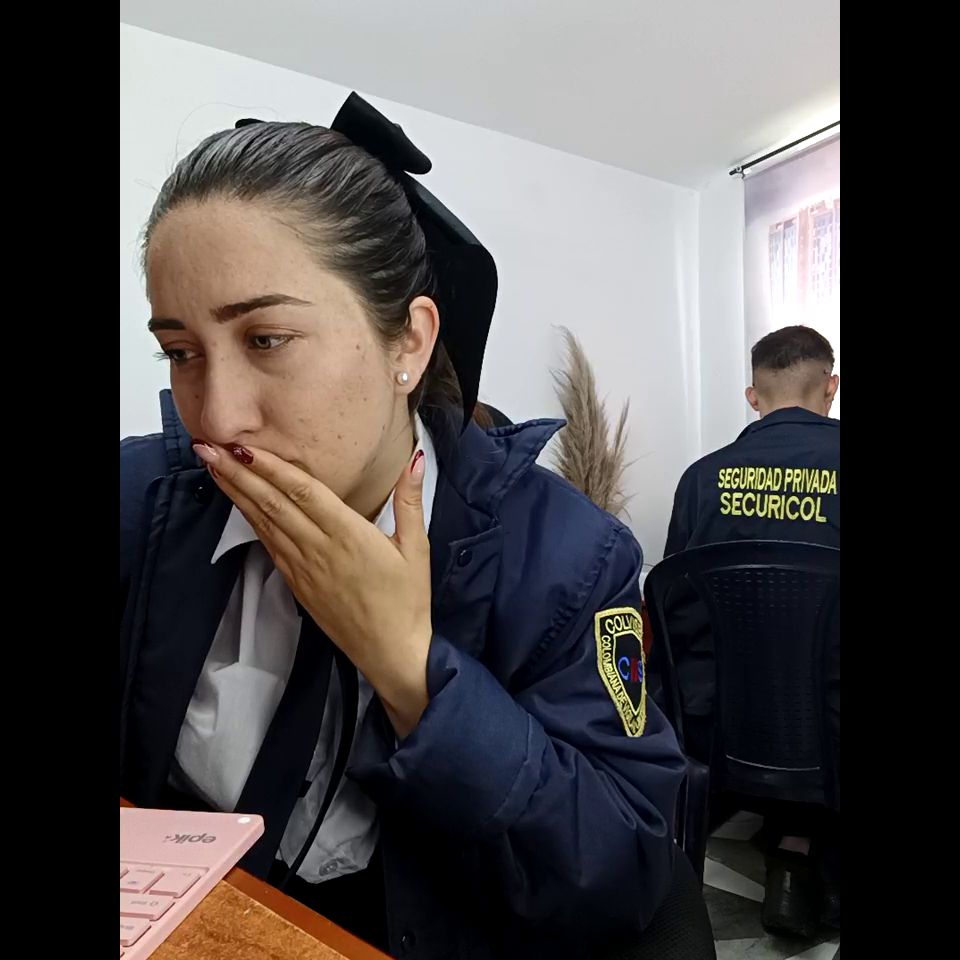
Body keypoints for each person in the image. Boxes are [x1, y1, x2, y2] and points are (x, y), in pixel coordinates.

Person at [120, 93, 685, 960]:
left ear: (409, 343)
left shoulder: (568, 562)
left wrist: (412, 671)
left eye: (267, 340)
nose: (219, 417)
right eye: (181, 352)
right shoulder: (146, 501)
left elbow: (624, 872)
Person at [658, 324, 840, 936]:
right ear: (831, 388)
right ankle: (806, 855)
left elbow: (676, 617)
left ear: (752, 396)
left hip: (729, 728)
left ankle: (793, 850)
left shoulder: (700, 480)